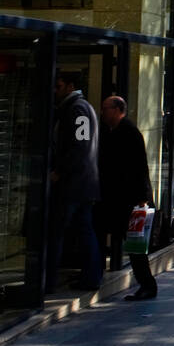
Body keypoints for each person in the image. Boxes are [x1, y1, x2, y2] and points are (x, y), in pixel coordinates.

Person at [46, 72, 102, 293]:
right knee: (83, 229)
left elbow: (81, 146)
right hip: (82, 184)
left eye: (58, 86)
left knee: (59, 231)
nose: (55, 91)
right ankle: (90, 277)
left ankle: (48, 281)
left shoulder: (78, 109)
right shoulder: (77, 108)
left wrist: (60, 171)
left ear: (70, 86)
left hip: (75, 184)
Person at [99, 96, 158, 301]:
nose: (102, 111)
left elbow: (140, 166)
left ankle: (148, 285)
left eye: (106, 108)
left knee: (135, 246)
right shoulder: (109, 131)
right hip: (116, 198)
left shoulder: (130, 132)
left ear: (117, 110)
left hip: (130, 200)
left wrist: (143, 198)